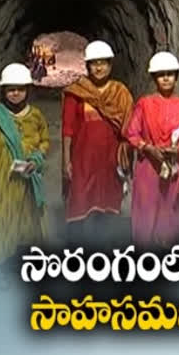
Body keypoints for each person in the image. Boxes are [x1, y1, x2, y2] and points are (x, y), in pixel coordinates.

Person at [124, 52, 179, 249]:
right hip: (148, 166)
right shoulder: (144, 104)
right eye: (160, 74)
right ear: (154, 78)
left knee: (170, 211)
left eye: (170, 74)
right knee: (147, 210)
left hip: (173, 167)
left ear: (176, 76)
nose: (166, 78)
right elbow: (132, 134)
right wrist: (148, 148)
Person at [61, 40, 134, 245]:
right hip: (83, 158)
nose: (99, 67)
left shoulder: (120, 92)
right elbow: (68, 129)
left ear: (110, 65)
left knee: (107, 198)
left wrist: (126, 152)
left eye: (103, 63)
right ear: (87, 66)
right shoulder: (76, 92)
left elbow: (130, 127)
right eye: (94, 63)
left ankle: (100, 246)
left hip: (110, 157)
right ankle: (78, 248)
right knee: (81, 198)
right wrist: (66, 160)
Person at [0, 63, 50, 264]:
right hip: (1, 178)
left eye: (20, 89)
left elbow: (44, 141)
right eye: (11, 89)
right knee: (0, 217)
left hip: (26, 178)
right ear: (3, 91)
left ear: (28, 90)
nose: (15, 93)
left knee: (24, 219)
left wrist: (37, 159)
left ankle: (22, 260)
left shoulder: (35, 115)